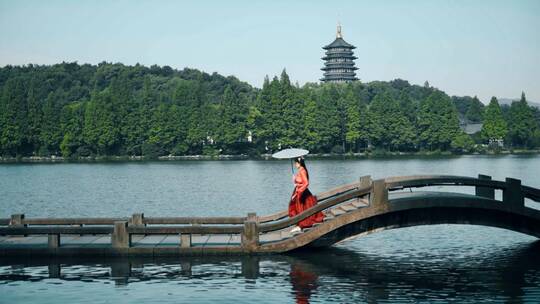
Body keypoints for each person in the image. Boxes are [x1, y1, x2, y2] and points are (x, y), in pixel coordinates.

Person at [288, 157, 324, 233]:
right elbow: (300, 181)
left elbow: (306, 183)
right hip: (299, 191)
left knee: (301, 208)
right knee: (297, 208)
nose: (295, 165)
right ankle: (299, 224)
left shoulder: (302, 171)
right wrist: (295, 180)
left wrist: (299, 191)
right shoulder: (300, 170)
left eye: (296, 163)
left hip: (302, 193)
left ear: (299, 163)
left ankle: (301, 225)